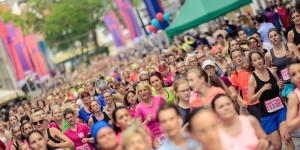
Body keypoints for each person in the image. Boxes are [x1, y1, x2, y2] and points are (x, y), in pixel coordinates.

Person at [247, 50, 294, 150]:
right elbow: (251, 99)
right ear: (252, 63)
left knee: (287, 137)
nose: (258, 61)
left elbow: (280, 88)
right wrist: (261, 90)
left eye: (259, 58)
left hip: (281, 108)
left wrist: (281, 86)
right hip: (267, 114)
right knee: (277, 146)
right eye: (255, 60)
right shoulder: (252, 79)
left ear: (263, 58)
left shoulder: (272, 71)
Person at [265, 28, 300, 98]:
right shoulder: (268, 55)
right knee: (294, 100)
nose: (274, 38)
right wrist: (272, 70)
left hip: (297, 78)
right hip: (286, 84)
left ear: (279, 36)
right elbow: (267, 71)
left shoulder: (290, 46)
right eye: (271, 37)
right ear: (269, 40)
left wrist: (293, 57)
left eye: (275, 35)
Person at [230, 49, 260, 119]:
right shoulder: (234, 75)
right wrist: (242, 101)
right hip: (250, 103)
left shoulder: (251, 66)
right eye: (235, 57)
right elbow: (236, 92)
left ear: (243, 56)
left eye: (240, 56)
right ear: (232, 60)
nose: (238, 58)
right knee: (261, 122)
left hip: (261, 96)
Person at [286, 59, 300, 132]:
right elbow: (289, 127)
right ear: (291, 79)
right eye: (294, 74)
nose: (298, 76)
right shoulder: (294, 97)